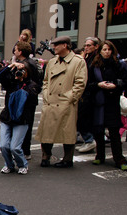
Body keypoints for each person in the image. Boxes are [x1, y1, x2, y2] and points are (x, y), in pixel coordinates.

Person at [35, 36, 87, 168]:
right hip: (51, 101)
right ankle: (45, 156)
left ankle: (67, 159)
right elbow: (45, 81)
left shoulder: (78, 61)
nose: (53, 47)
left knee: (67, 132)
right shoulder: (52, 62)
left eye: (56, 45)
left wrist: (71, 97)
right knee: (46, 131)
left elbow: (80, 83)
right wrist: (46, 93)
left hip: (66, 102)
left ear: (65, 45)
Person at [88, 41, 127, 171]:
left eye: (109, 49)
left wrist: (115, 85)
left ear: (112, 51)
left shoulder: (118, 64)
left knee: (114, 132)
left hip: (112, 101)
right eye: (104, 49)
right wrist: (98, 85)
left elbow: (125, 80)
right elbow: (89, 84)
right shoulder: (94, 65)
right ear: (99, 51)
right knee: (98, 131)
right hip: (98, 101)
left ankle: (119, 159)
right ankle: (100, 155)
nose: (106, 52)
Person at [0, 61, 40, 175]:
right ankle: (9, 165)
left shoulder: (32, 85)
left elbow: (33, 100)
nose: (20, 73)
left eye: (23, 71)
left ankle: (22, 164)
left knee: (15, 147)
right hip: (7, 116)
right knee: (3, 145)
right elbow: (0, 75)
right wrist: (11, 66)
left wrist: (23, 84)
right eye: (19, 70)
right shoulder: (11, 82)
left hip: (22, 119)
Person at [10, 41, 42, 160]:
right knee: (24, 124)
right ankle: (24, 150)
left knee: (24, 125)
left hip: (27, 98)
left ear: (21, 52)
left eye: (16, 49)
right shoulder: (30, 62)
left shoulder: (27, 64)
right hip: (28, 97)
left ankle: (24, 151)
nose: (14, 51)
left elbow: (33, 78)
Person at [76, 37, 100, 154]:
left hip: (90, 93)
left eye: (89, 45)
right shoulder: (88, 58)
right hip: (86, 91)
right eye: (85, 45)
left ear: (96, 46)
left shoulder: (96, 59)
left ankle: (90, 140)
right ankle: (88, 140)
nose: (86, 47)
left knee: (82, 117)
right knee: (81, 117)